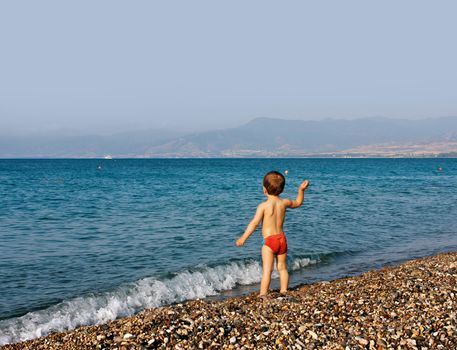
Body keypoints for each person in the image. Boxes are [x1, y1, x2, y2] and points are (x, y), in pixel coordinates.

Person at [236, 171, 310, 296]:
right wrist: (301, 190)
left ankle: (263, 294)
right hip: (282, 239)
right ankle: (284, 290)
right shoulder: (284, 202)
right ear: (282, 189)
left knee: (267, 270)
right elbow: (298, 203)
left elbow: (254, 224)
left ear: (264, 190)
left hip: (270, 242)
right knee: (282, 268)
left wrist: (243, 238)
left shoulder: (263, 206)